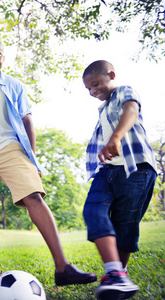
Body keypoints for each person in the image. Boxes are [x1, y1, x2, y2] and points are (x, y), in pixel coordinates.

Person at [0, 39, 97, 286]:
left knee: (34, 197)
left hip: (10, 148)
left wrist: (33, 160)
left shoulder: (15, 85)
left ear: (4, 58)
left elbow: (27, 121)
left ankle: (63, 268)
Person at [82, 60, 157, 300]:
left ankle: (119, 275)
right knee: (93, 211)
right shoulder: (102, 109)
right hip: (107, 170)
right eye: (89, 89)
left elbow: (131, 111)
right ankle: (115, 273)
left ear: (111, 75)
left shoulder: (124, 90)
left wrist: (116, 137)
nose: (93, 91)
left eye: (95, 84)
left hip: (136, 167)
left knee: (125, 224)